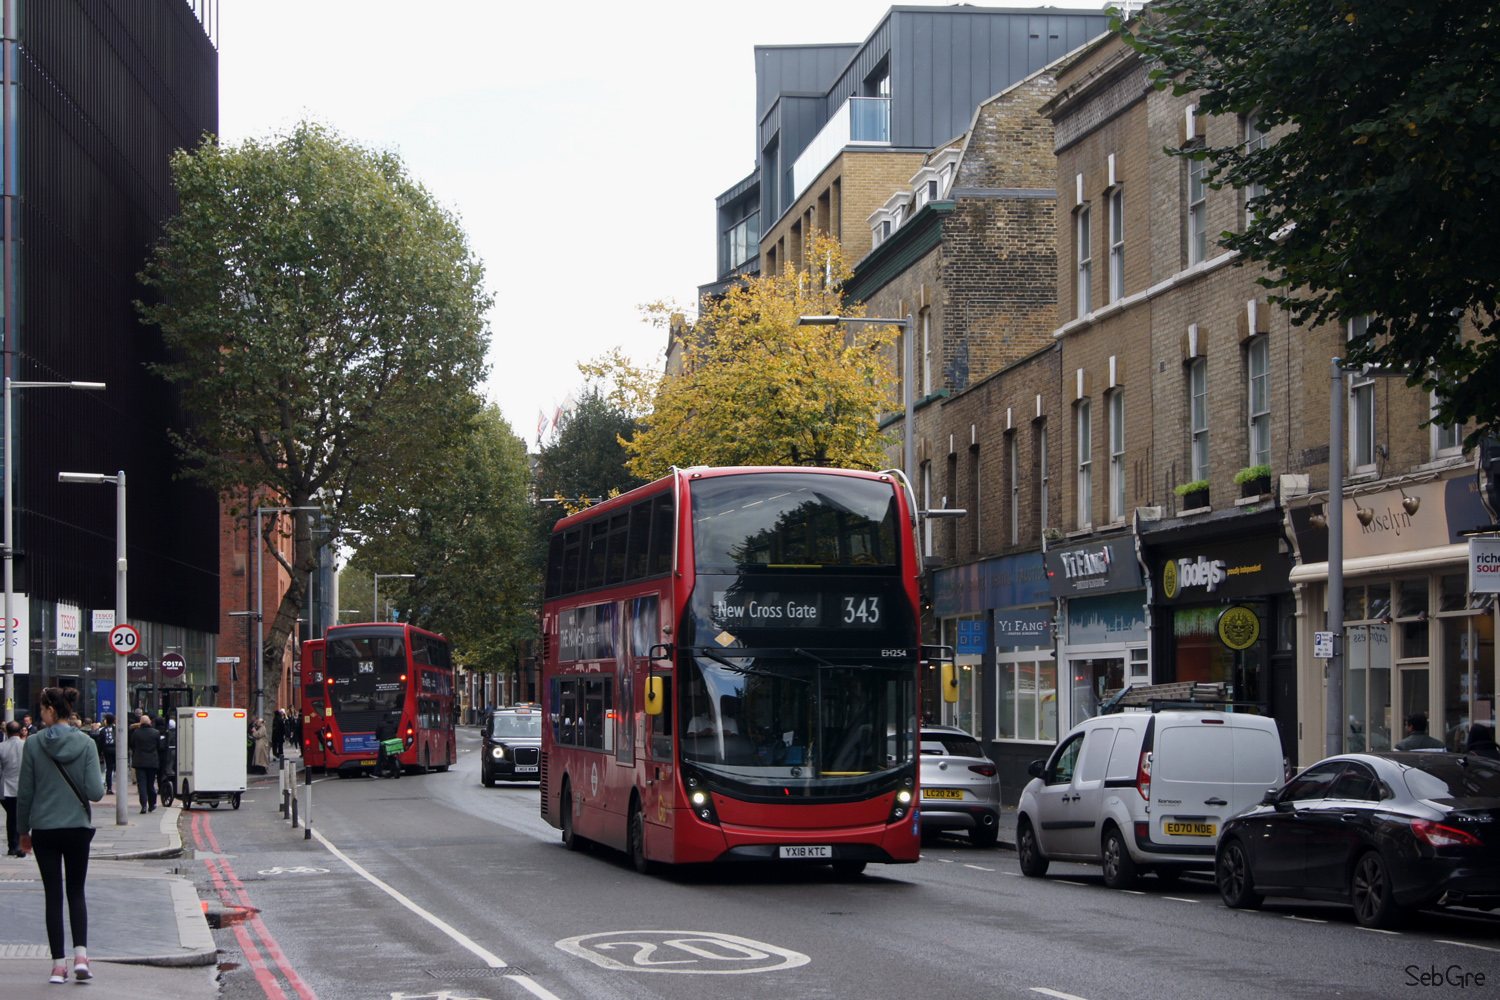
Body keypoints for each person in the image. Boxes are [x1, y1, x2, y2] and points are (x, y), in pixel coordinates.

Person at [17, 686, 104, 983]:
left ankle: (58, 965)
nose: (40, 715)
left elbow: (25, 793)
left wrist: (22, 830)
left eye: (42, 710)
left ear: (51, 710)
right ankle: (81, 956)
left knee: (53, 896)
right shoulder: (86, 744)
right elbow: (95, 792)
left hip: (44, 829)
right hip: (77, 828)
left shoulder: (33, 744)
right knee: (76, 892)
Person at [127, 715, 160, 814]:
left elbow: (132, 744)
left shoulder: (136, 733)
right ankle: (152, 804)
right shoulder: (156, 733)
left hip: (139, 761)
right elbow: (158, 746)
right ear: (149, 722)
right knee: (151, 784)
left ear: (140, 723)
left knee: (141, 785)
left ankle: (144, 805)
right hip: (152, 762)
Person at [1, 721, 23, 856]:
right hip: (23, 786)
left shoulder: (1, 747)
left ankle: (13, 845)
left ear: (7, 733)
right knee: (21, 816)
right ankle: (20, 844)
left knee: (11, 816)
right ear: (20, 731)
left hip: (6, 787)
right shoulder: (26, 746)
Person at [375, 712, 401, 779]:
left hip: (385, 741)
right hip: (393, 741)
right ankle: (393, 770)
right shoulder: (395, 723)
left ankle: (375, 772)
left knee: (380, 757)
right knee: (393, 754)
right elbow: (395, 731)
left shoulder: (381, 724)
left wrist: (377, 737)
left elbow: (377, 733)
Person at [95, 714, 116, 795]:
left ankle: (109, 787)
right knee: (116, 768)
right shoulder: (115, 729)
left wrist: (99, 753)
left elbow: (100, 742)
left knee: (109, 768)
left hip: (107, 750)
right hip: (115, 749)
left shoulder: (103, 730)